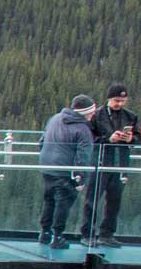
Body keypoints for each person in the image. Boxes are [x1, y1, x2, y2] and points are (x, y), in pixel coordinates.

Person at [80, 83, 141, 247]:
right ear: (109, 99)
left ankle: (107, 234)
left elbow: (138, 137)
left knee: (114, 201)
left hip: (120, 164)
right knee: (91, 200)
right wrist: (108, 139)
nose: (119, 104)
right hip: (99, 163)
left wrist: (130, 139)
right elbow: (88, 138)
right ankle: (88, 234)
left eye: (122, 100)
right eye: (116, 100)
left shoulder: (130, 116)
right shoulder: (96, 115)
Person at [38, 94, 97, 250]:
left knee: (49, 201)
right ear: (85, 112)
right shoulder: (83, 129)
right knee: (62, 204)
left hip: (48, 167)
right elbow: (83, 156)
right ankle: (58, 237)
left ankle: (44, 233)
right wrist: (81, 179)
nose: (93, 115)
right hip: (66, 172)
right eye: (91, 112)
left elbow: (42, 141)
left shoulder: (55, 118)